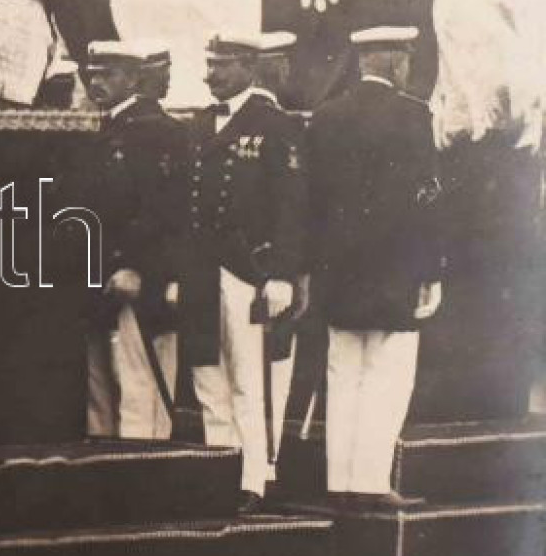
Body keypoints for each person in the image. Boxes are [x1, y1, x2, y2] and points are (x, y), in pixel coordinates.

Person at [308, 26, 444, 510]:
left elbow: (313, 203)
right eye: (405, 58)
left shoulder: (325, 118)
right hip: (392, 270)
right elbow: (423, 201)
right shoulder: (413, 117)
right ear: (394, 61)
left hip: (337, 271)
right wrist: (430, 270)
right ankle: (370, 479)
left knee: (343, 371)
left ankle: (340, 480)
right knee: (387, 374)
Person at [179, 32, 308, 512]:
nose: (211, 74)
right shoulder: (198, 123)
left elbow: (292, 206)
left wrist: (281, 274)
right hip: (200, 268)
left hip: (246, 269)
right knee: (206, 374)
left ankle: (254, 480)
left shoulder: (275, 125)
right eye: (209, 64)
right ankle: (219, 471)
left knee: (249, 379)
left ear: (250, 67)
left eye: (223, 65)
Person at [76, 39, 187, 441]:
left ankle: (141, 474)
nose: (97, 83)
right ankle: (112, 470)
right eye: (93, 75)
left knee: (142, 381)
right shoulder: (101, 129)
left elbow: (163, 209)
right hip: (102, 274)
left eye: (109, 74)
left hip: (142, 278)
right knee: (101, 386)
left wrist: (136, 266)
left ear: (134, 78)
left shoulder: (158, 132)